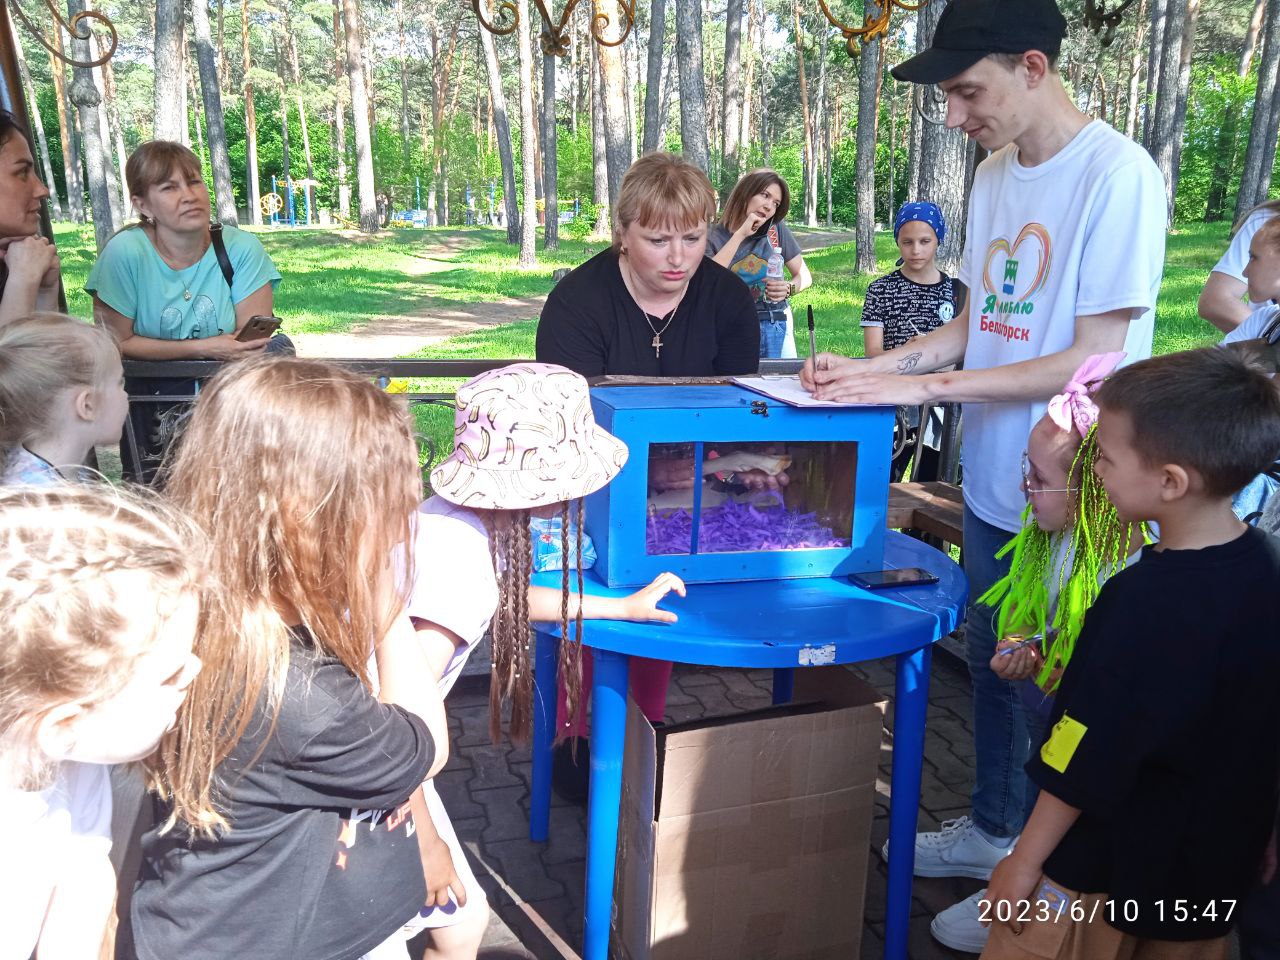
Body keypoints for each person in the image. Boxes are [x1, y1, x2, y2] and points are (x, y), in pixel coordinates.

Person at [801, 0, 1167, 948]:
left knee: (1063, 690)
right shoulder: (998, 173)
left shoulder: (1118, 175)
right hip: (1000, 480)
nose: (956, 116)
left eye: (969, 92)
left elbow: (1091, 357)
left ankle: (1047, 887)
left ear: (1033, 66)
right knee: (999, 671)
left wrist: (934, 387)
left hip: (1080, 493)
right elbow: (982, 322)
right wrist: (878, 371)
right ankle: (996, 829)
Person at [132, 358, 451, 960]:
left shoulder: (203, 615)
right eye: (388, 507)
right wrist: (383, 591)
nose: (401, 526)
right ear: (310, 516)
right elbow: (425, 747)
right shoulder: (302, 696)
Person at [982, 345, 1280, 960]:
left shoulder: (1137, 598)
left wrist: (1023, 859)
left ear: (1171, 482)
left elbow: (1082, 741)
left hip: (1111, 866)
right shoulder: (1268, 570)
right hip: (1215, 867)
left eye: (1107, 460)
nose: (1095, 472)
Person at [920, 353, 1144, 952]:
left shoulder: (1134, 577)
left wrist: (1054, 669)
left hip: (1096, 754)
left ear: (1094, 490)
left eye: (1039, 477)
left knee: (1071, 815)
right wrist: (1017, 645)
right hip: (1051, 723)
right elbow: (1024, 609)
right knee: (1041, 784)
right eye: (1026, 467)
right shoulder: (1049, 539)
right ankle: (1024, 864)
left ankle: (1039, 893)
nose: (1025, 485)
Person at [0, 484, 203, 960]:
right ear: (62, 724)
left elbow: (83, 876)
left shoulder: (72, 753)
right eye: (169, 674)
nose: (194, 670)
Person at [86, 140, 284, 480]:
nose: (189, 195)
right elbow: (116, 343)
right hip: (150, 405)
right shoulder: (125, 254)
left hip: (227, 396)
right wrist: (205, 348)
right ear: (142, 204)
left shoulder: (241, 248)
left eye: (194, 182)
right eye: (169, 187)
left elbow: (250, 340)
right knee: (157, 492)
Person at [536, 152, 759, 376]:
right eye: (659, 240)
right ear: (623, 232)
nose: (677, 258)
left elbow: (738, 394)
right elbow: (573, 397)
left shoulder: (730, 298)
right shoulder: (575, 304)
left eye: (692, 238)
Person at [861, 201, 965, 481]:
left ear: (938, 239)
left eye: (924, 241)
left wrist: (935, 354)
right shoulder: (881, 290)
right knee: (883, 480)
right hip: (895, 405)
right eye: (907, 242)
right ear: (897, 241)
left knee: (933, 485)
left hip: (941, 405)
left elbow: (963, 352)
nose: (916, 250)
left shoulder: (956, 292)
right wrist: (907, 353)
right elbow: (873, 352)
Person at [0, 313, 128, 485]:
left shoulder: (62, 470)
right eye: (120, 383)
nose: (126, 395)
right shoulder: (40, 497)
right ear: (87, 405)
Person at [706, 169, 813, 359]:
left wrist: (788, 289)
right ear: (745, 192)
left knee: (781, 376)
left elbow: (804, 277)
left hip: (775, 321)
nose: (769, 206)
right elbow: (708, 283)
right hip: (731, 325)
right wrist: (741, 234)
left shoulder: (776, 230)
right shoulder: (713, 236)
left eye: (776, 203)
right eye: (765, 195)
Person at [0, 111, 61, 327]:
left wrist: (45, 292)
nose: (42, 190)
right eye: (22, 172)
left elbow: (45, 349)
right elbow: (13, 352)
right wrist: (23, 281)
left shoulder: (13, 259)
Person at [1198, 199, 1279, 334]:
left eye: (1254, 258)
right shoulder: (1266, 221)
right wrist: (1269, 337)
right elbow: (1215, 301)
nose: (1245, 272)